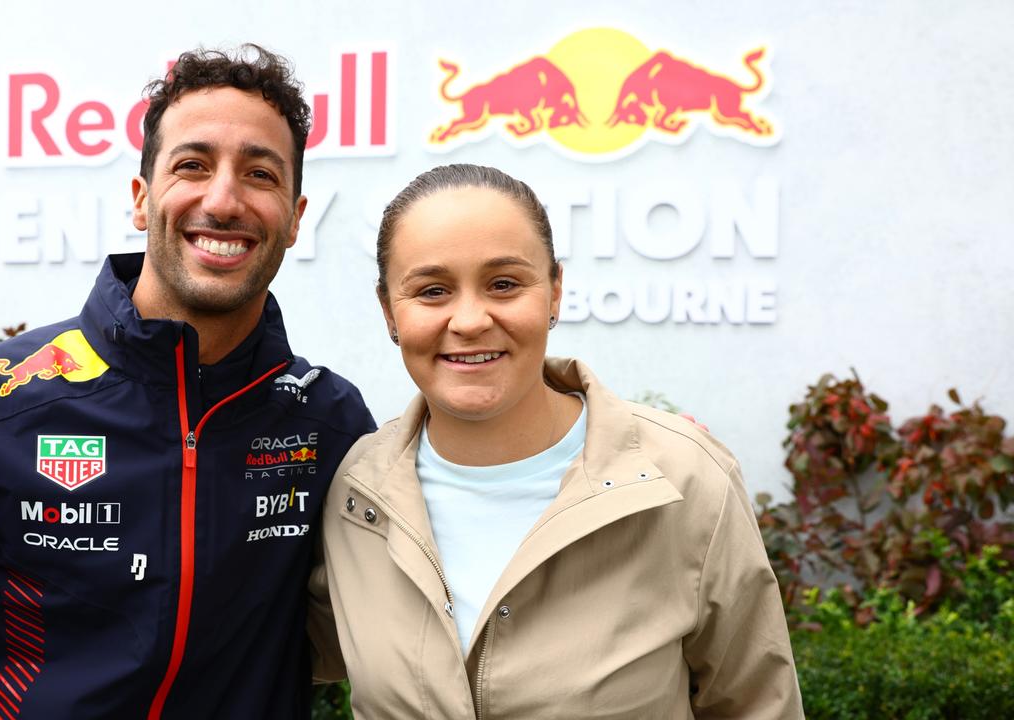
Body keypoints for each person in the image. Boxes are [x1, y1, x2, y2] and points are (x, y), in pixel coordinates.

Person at [0, 45, 374, 719]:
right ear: (141, 201)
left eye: (260, 174)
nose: (223, 200)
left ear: (294, 217)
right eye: (192, 165)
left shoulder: (329, 424)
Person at [309, 164, 803, 718]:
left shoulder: (686, 479)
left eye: (504, 284)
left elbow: (759, 704)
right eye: (432, 290)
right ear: (388, 312)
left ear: (555, 293)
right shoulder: (355, 495)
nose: (470, 319)